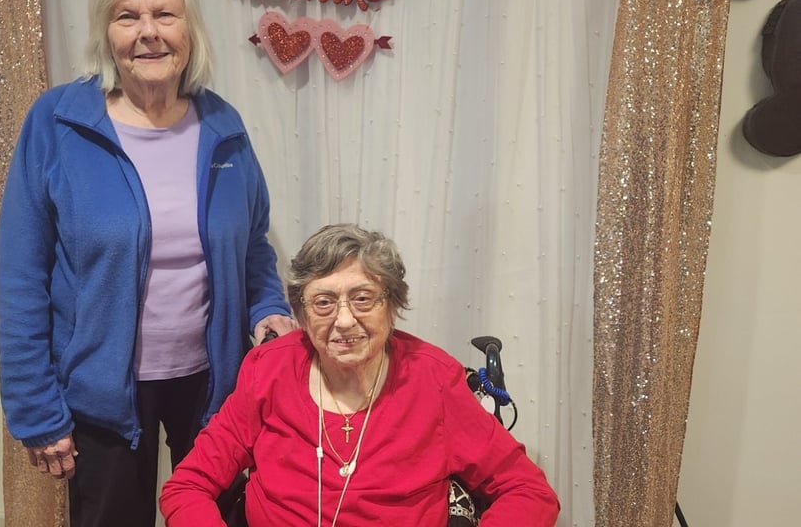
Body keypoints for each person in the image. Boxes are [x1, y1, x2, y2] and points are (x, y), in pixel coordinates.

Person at [0, 0, 296, 527]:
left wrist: (268, 308)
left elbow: (253, 245)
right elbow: (20, 276)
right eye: (127, 16)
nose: (148, 33)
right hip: (100, 393)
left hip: (215, 389)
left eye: (165, 14)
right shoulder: (59, 124)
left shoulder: (222, 126)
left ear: (190, 30)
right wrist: (35, 407)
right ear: (106, 32)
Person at [160, 224, 560, 526]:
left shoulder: (433, 379)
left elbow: (529, 491)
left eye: (363, 298)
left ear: (393, 305)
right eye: (324, 302)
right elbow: (186, 487)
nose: (344, 320)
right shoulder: (269, 371)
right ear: (300, 313)